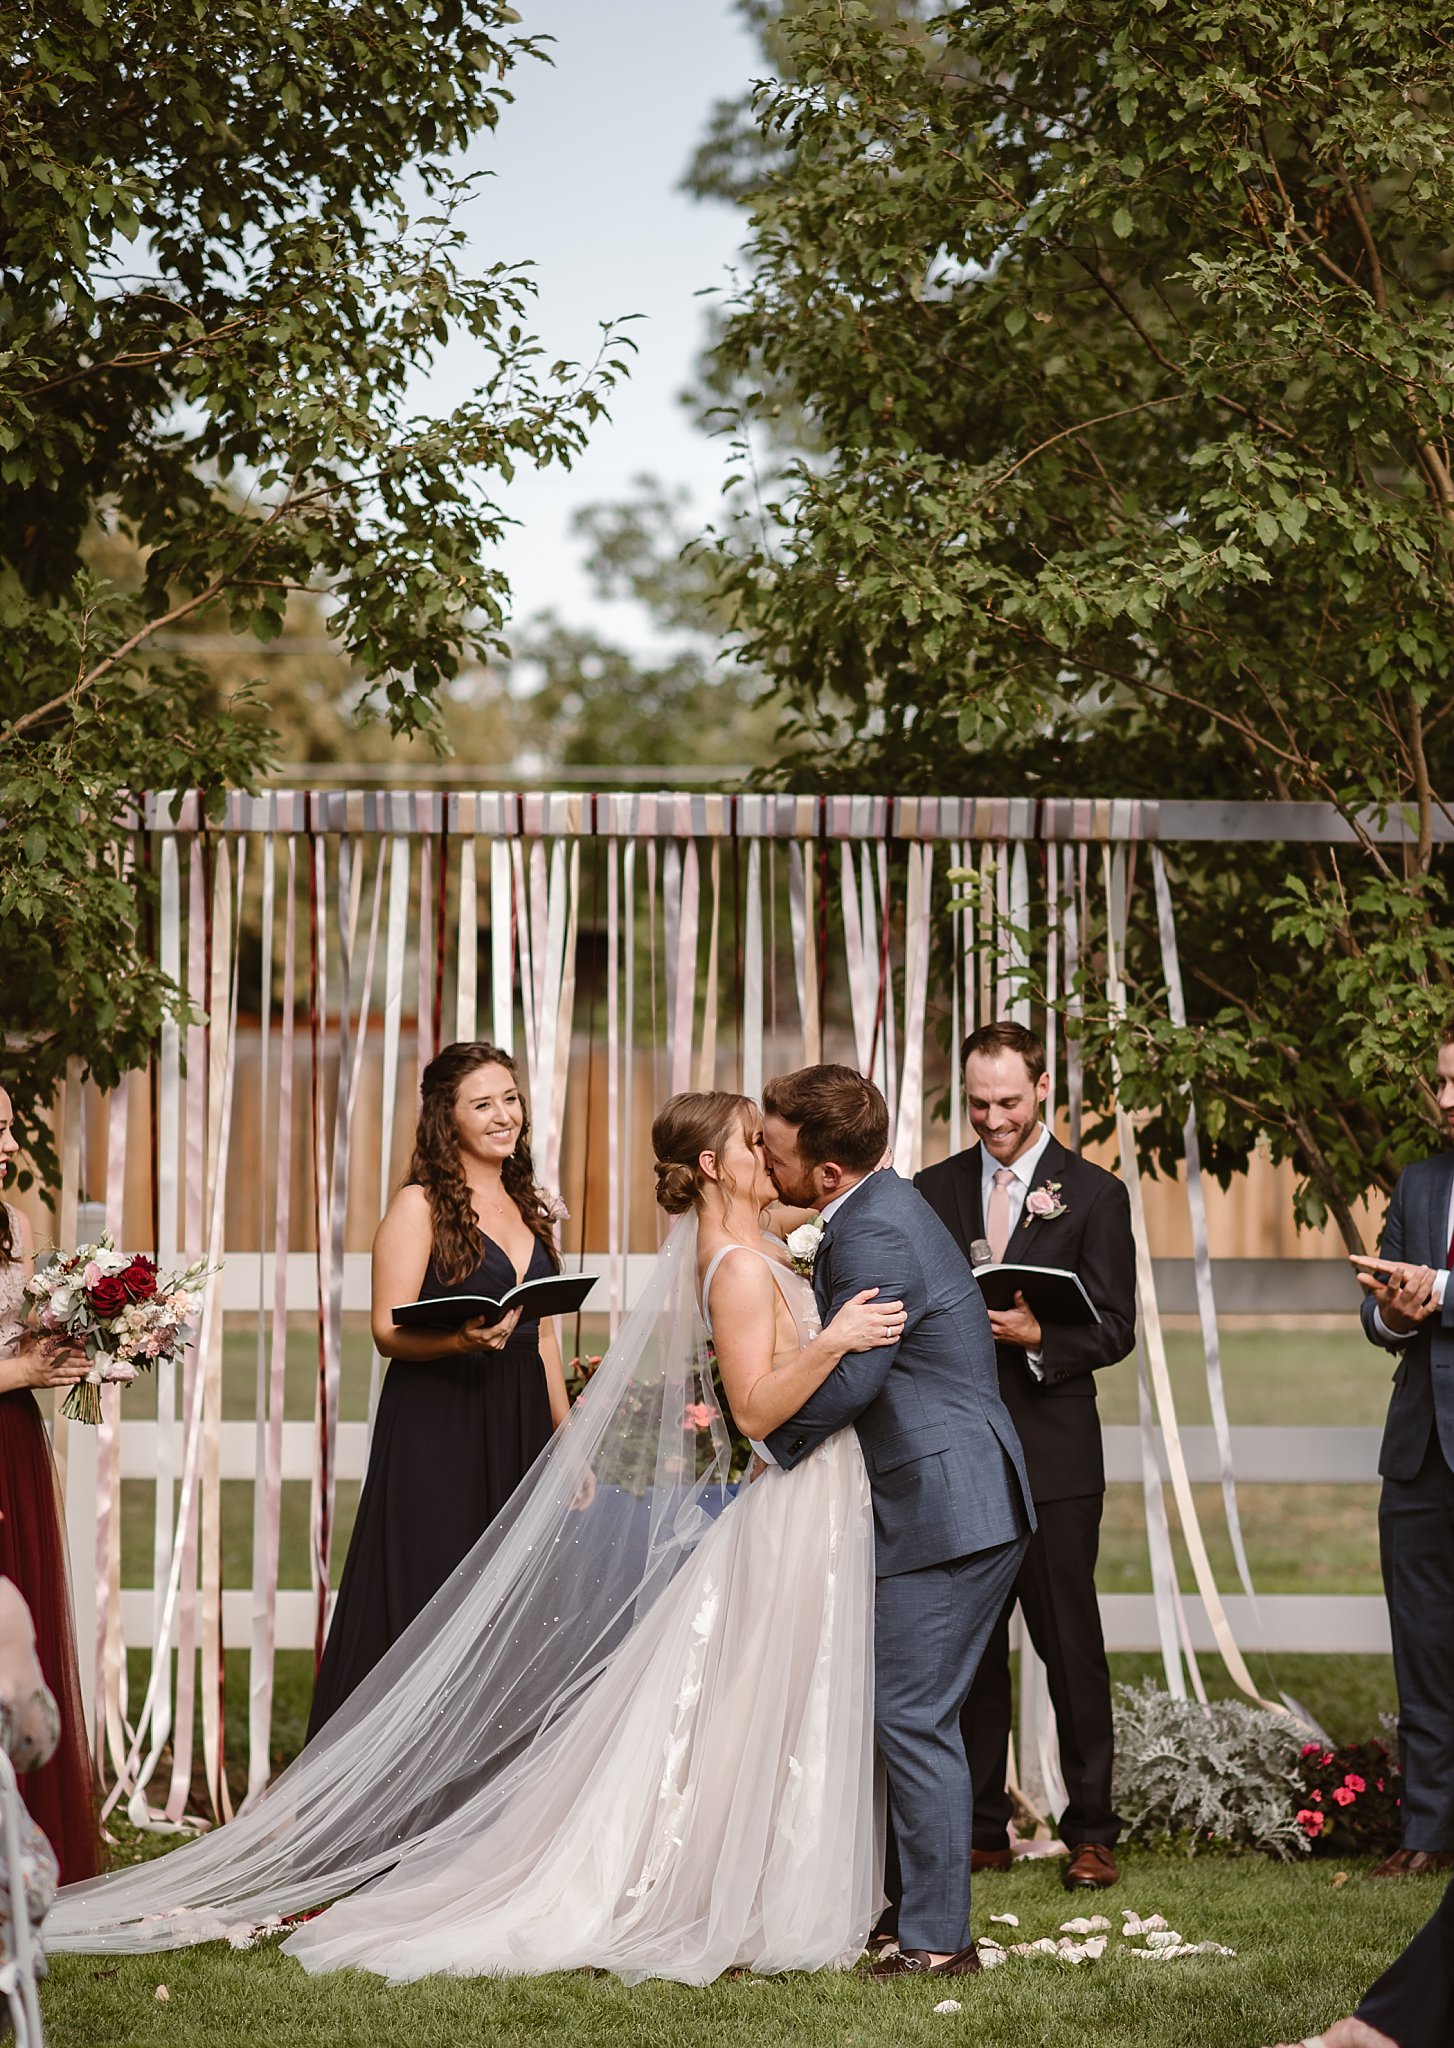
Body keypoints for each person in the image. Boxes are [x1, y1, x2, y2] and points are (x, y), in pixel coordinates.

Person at [47, 1091, 905, 1981]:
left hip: (810, 1495)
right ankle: (699, 1882)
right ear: (720, 1167)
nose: (774, 1154)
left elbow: (840, 1189)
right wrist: (837, 1338)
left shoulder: (772, 1238)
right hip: (694, 1468)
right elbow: (756, 1403)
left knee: (770, 1689)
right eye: (754, 1144)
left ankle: (770, 1872)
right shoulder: (728, 1265)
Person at [758, 1063, 1035, 1978]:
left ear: (827, 1174)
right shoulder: (880, 1204)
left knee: (915, 1718)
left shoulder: (871, 1227)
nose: (764, 1160)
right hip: (950, 1494)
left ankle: (938, 1942)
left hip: (949, 1505)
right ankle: (905, 1919)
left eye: (776, 1149)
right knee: (909, 1714)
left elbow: (859, 1374)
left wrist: (761, 1431)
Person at [914, 1020, 1136, 1891]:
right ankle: (981, 1825)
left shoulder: (1094, 1192)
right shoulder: (932, 1188)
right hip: (958, 1449)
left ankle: (1093, 1830)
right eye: (977, 1103)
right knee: (971, 1649)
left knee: (1068, 1644)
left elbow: (1115, 1325)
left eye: (1008, 1101)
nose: (993, 1118)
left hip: (1053, 1453)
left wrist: (1042, 1335)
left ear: (1042, 1088)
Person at [306, 1042, 573, 1738]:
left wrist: (568, 1441)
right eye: (483, 1103)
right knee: (431, 1588)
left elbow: (542, 1334)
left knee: (512, 1605)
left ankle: (485, 1781)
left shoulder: (528, 1201)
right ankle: (384, 1783)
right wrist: (457, 1342)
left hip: (518, 1416)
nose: (503, 1115)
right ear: (446, 1118)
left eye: (510, 1098)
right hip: (439, 1420)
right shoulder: (417, 1206)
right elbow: (385, 1331)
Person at [1352, 1018, 1454, 1880]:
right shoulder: (1420, 1183)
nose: (1445, 1099)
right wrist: (1392, 1310)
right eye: (1442, 1081)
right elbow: (1380, 1298)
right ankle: (1427, 1834)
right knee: (1421, 1646)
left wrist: (1442, 1290)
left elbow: (1434, 1284)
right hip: (1419, 1455)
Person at [0, 1085, 101, 1886]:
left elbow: (24, 1338)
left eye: (7, 1129)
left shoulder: (16, 1225)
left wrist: (93, 1329)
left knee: (19, 1632)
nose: (6, 1145)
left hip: (13, 1444)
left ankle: (24, 1841)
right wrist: (24, 1368)